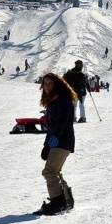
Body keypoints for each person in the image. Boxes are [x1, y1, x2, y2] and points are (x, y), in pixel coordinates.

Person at [33, 72, 77, 215]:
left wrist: (56, 137)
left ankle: (57, 203)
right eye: (45, 83)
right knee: (54, 170)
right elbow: (51, 128)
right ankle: (66, 199)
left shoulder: (63, 99)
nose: (47, 86)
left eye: (50, 83)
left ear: (57, 84)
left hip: (63, 141)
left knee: (49, 171)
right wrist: (46, 146)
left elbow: (62, 121)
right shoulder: (53, 100)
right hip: (60, 141)